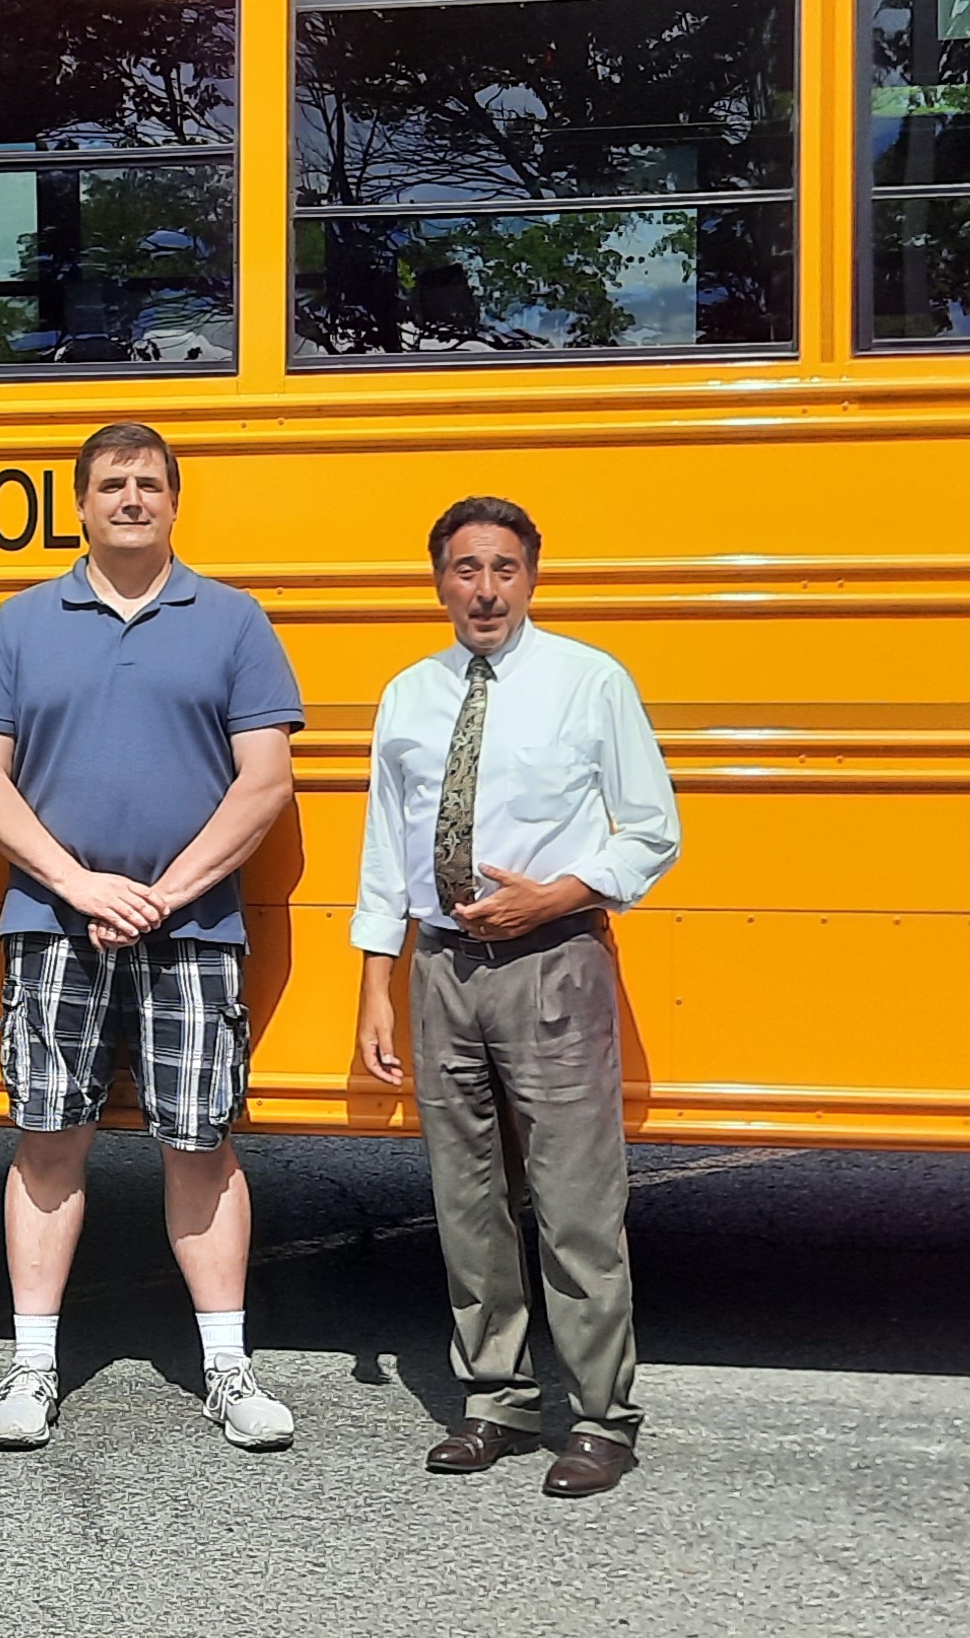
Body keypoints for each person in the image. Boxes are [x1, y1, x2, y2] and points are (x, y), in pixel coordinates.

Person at [0, 421, 304, 1454]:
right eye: (113, 482)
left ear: (174, 500)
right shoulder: (20, 623)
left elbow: (266, 779)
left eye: (150, 481)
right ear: (80, 504)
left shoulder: (233, 621)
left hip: (192, 926)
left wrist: (163, 889)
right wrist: (76, 882)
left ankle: (229, 1368)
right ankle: (28, 1365)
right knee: (48, 1136)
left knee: (198, 1141)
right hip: (53, 922)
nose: (132, 497)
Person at [352, 496, 680, 1499]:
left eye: (502, 568)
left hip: (552, 960)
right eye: (463, 568)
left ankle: (597, 1415)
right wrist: (377, 978)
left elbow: (652, 829)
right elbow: (384, 847)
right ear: (438, 579)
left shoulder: (589, 681)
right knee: (468, 1198)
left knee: (577, 1201)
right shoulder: (410, 693)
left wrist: (560, 890)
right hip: (443, 966)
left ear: (531, 578)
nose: (483, 588)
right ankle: (492, 1398)